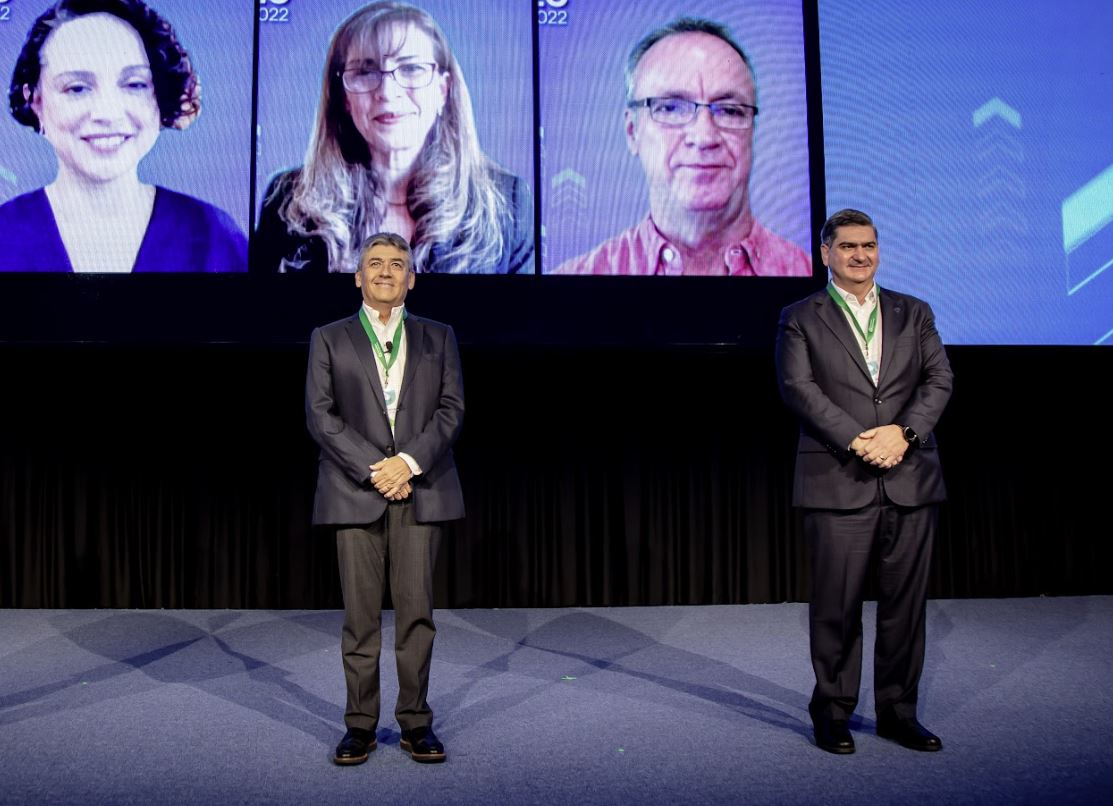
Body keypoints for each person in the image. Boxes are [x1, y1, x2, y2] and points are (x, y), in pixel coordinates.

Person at [775, 209, 953, 754]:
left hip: (911, 476)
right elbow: (798, 388)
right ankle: (832, 711)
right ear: (826, 253)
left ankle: (899, 713)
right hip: (838, 478)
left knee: (906, 606)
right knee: (837, 604)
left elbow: (939, 378)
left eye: (869, 246)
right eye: (848, 246)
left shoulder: (913, 311)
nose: (860, 255)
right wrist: (860, 440)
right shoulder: (801, 316)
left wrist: (903, 434)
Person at [306, 231, 464, 765]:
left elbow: (451, 411)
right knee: (361, 618)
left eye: (397, 264)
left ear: (411, 278)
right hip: (356, 492)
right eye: (374, 263)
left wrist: (408, 464)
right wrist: (378, 470)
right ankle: (360, 726)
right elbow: (321, 416)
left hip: (421, 490)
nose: (384, 271)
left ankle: (417, 723)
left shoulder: (439, 336)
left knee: (417, 614)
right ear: (357, 276)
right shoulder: (328, 338)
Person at [256, 1, 532, 274]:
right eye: (365, 71)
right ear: (344, 98)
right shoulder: (286, 200)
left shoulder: (507, 203)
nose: (387, 91)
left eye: (411, 68)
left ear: (443, 90)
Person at [1, 0, 247, 273]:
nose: (108, 113)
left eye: (135, 84)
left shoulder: (214, 238)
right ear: (35, 101)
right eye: (77, 88)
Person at [554, 17, 810, 277]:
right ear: (632, 132)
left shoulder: (821, 285)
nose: (704, 136)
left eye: (729, 111)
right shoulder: (570, 282)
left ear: (752, 130)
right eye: (670, 108)